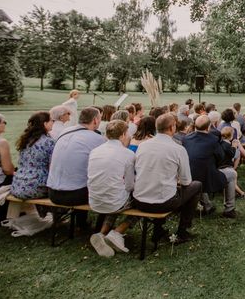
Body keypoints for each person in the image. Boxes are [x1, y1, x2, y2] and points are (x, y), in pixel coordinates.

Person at [133, 114, 202, 243]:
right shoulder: (178, 149)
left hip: (139, 200)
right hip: (162, 203)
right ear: (172, 128)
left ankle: (158, 230)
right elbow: (187, 181)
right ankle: (182, 231)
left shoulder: (143, 146)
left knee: (163, 187)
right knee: (196, 186)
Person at [46, 107, 105, 229]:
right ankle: (99, 228)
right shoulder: (97, 139)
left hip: (52, 191)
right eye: (99, 119)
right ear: (95, 120)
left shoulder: (65, 132)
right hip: (74, 194)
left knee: (79, 176)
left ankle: (80, 223)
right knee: (104, 187)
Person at [87, 120, 137, 257]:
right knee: (141, 199)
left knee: (115, 193)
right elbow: (130, 185)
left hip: (94, 200)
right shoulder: (128, 154)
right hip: (114, 202)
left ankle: (102, 233)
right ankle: (118, 232)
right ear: (122, 135)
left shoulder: (95, 151)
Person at [182, 115, 238, 218]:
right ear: (208, 127)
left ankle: (207, 205)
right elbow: (221, 157)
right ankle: (229, 209)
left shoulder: (186, 138)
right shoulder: (213, 139)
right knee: (232, 174)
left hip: (189, 175)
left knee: (201, 171)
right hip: (205, 176)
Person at [11, 112, 55, 201]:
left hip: (17, 185)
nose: (53, 122)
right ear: (45, 124)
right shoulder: (49, 142)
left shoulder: (25, 140)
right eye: (51, 120)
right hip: (36, 187)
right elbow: (52, 168)